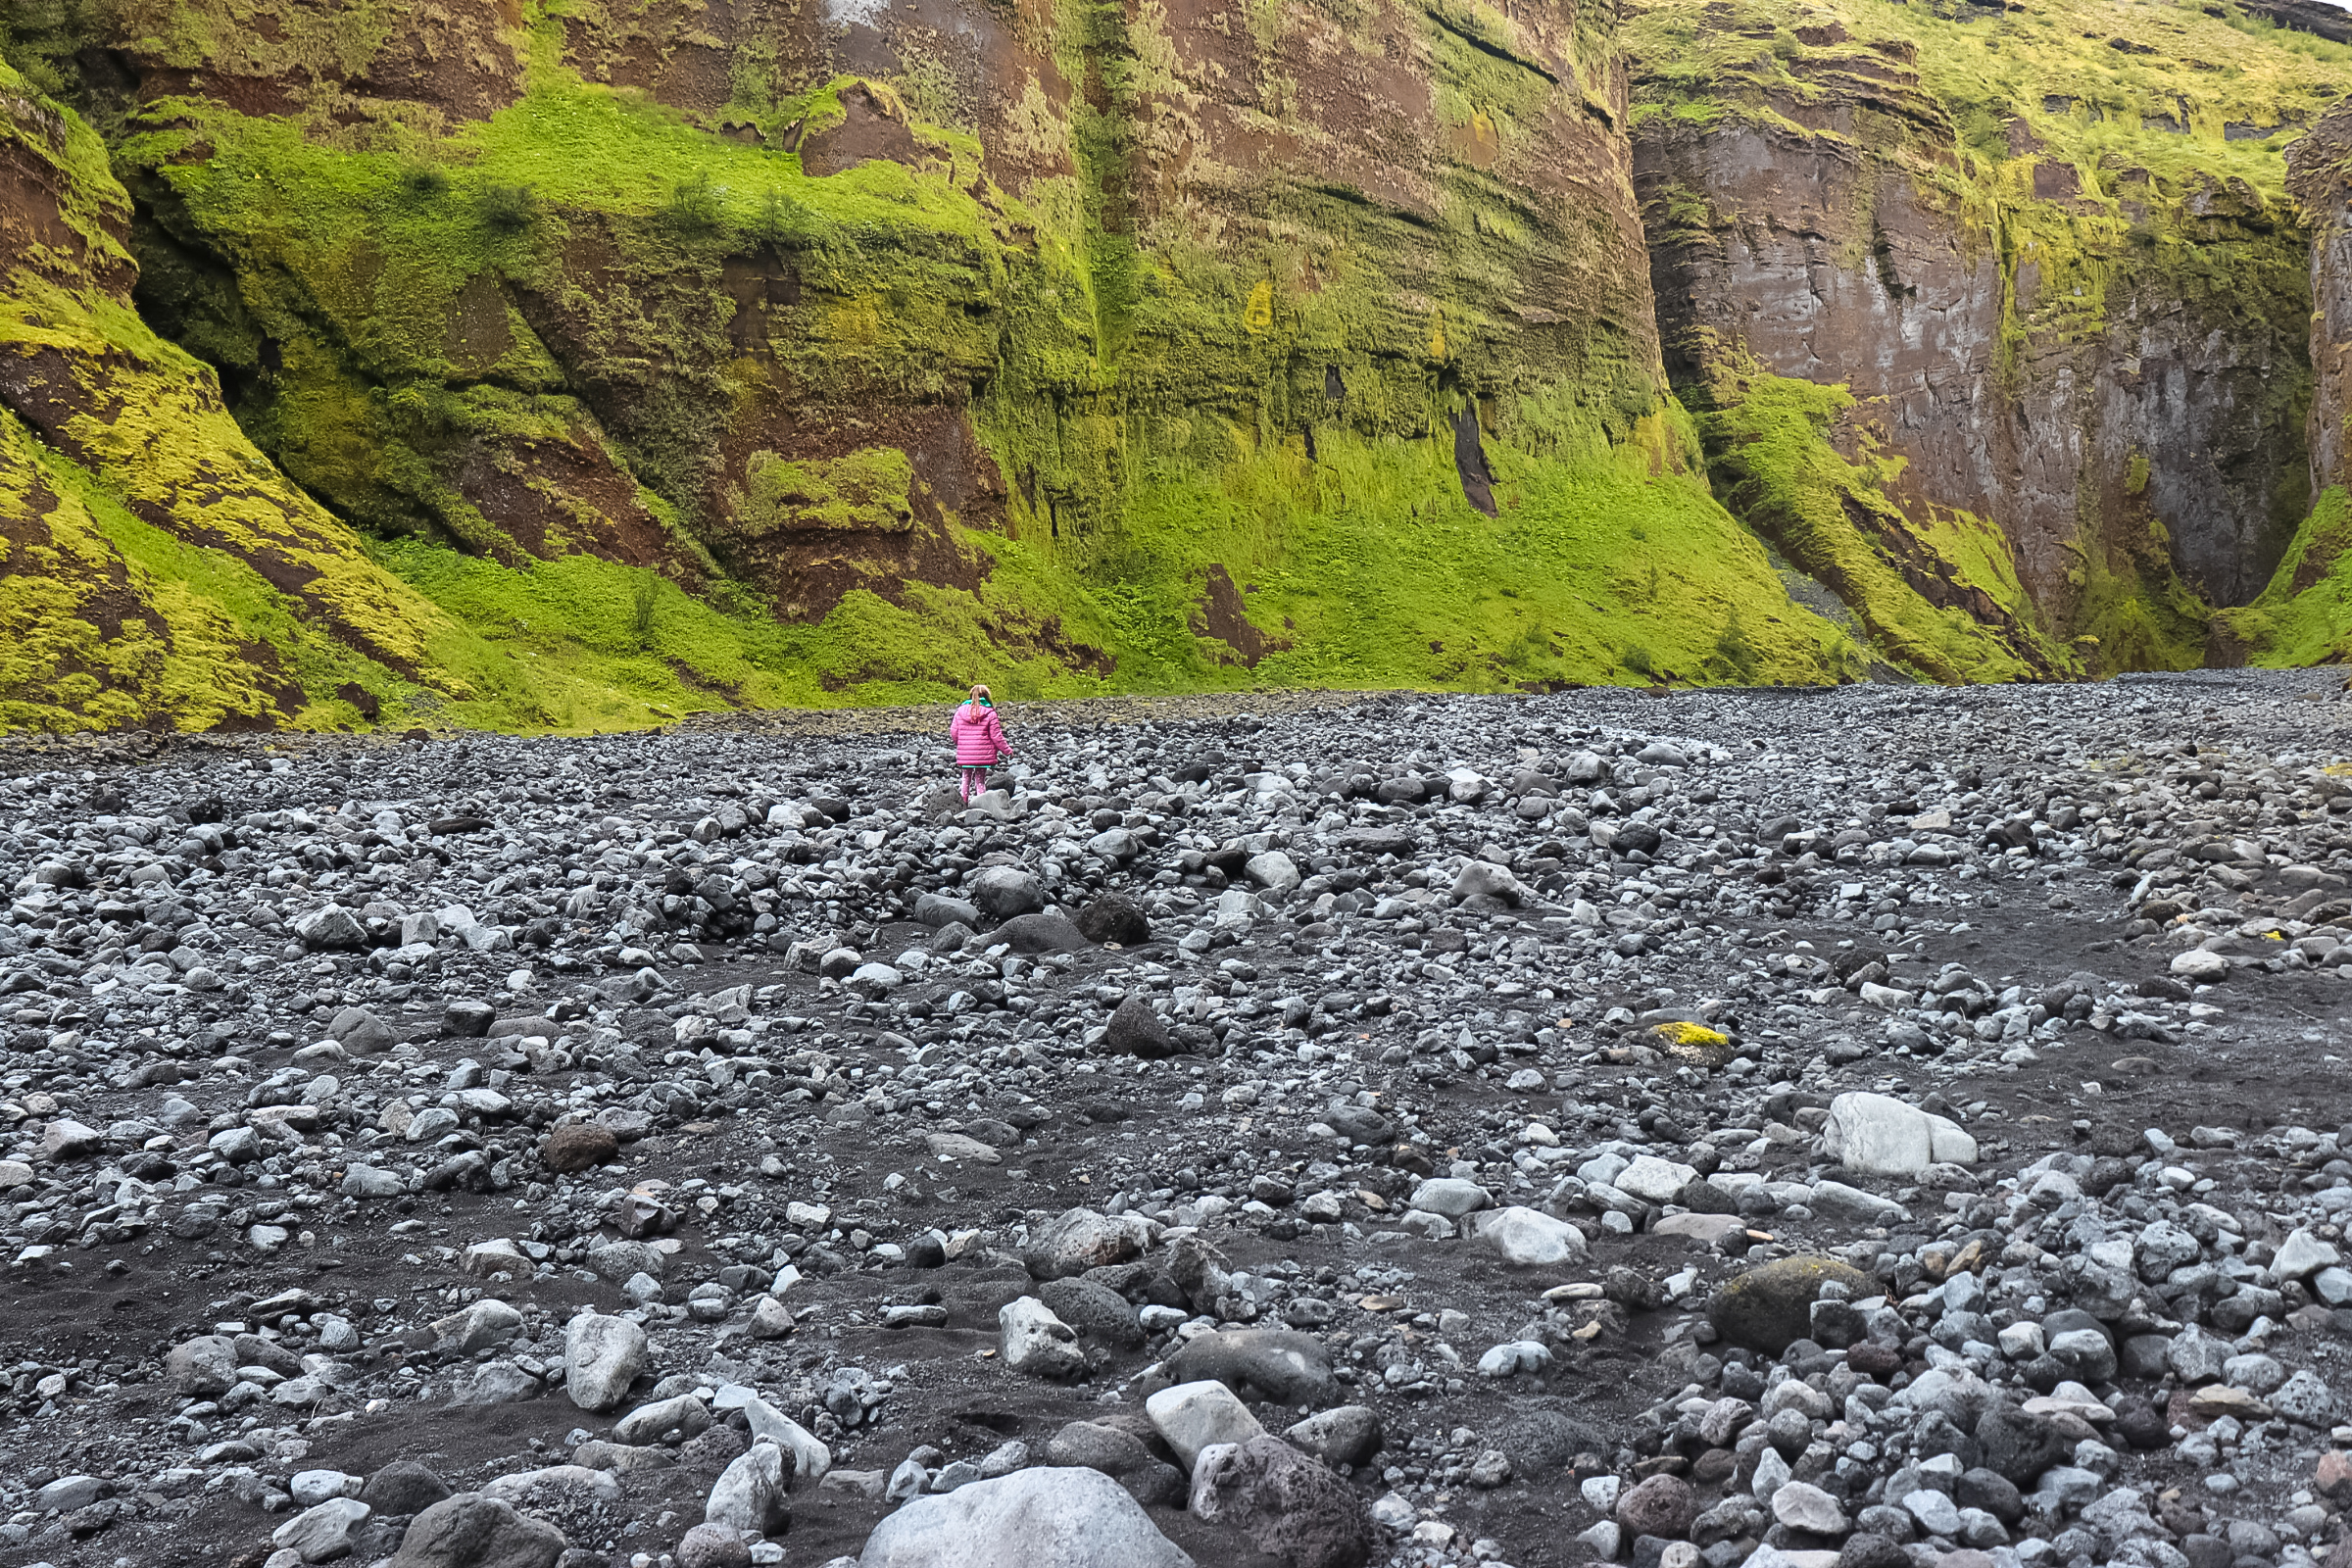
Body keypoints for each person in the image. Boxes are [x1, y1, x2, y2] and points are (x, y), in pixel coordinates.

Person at [950, 684, 1011, 803]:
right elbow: (996, 736)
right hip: (983, 754)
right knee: (980, 781)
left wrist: (961, 744)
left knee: (966, 778)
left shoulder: (960, 712)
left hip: (966, 753)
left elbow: (954, 732)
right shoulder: (990, 713)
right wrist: (1007, 750)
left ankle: (964, 801)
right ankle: (981, 803)